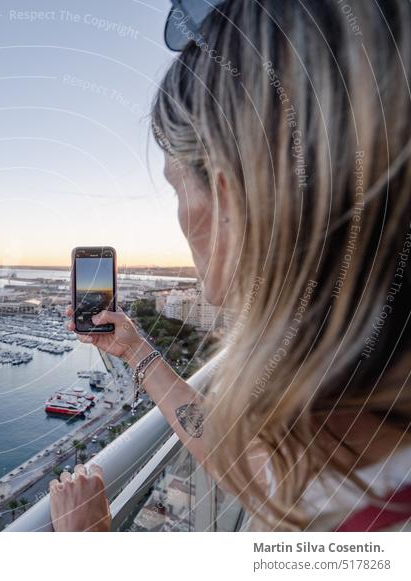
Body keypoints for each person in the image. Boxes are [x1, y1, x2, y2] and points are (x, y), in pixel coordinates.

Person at [50, 0, 411, 532]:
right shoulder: (360, 448)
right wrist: (134, 350)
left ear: (224, 204)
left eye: (178, 187)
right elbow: (252, 470)